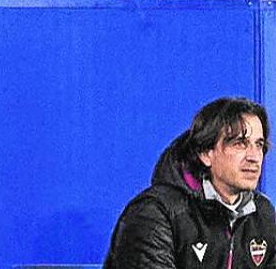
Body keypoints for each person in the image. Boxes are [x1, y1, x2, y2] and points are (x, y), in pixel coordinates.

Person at [102, 97, 276, 269]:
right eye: (240, 144)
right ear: (206, 153)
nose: (254, 157)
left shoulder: (263, 214)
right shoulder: (154, 213)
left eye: (259, 145)